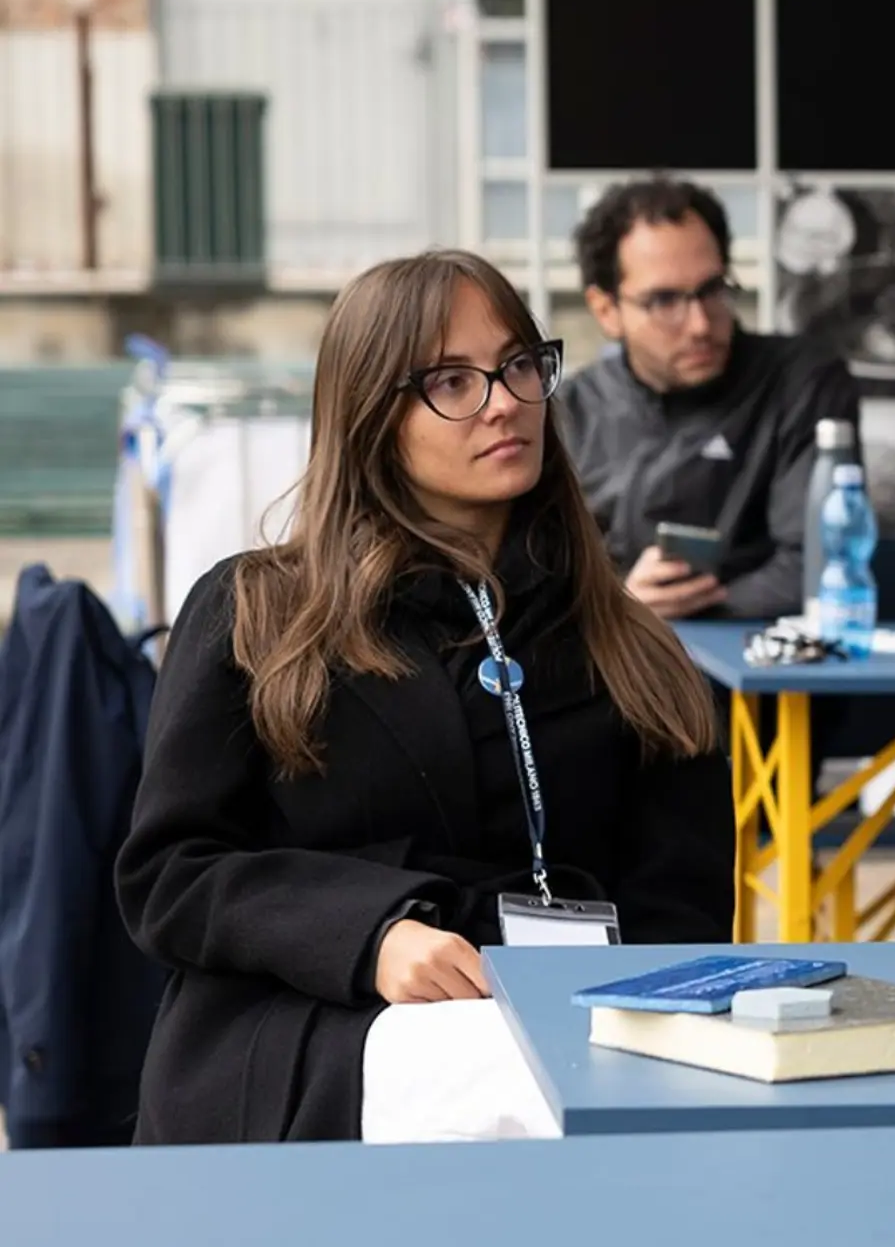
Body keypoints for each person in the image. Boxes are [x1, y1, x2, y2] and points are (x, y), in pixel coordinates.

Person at [116, 250, 732, 1145]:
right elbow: (167, 875)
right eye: (452, 379)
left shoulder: (627, 641)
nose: (504, 400)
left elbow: (684, 912)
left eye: (519, 364)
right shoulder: (256, 611)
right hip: (310, 1032)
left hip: (570, 1033)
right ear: (373, 415)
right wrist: (371, 934)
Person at [558, 175, 862, 621]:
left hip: (760, 668)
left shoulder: (801, 382)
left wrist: (664, 612)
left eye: (712, 290)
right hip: (608, 672)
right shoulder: (567, 414)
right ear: (606, 310)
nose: (700, 324)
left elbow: (821, 564)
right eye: (664, 300)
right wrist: (619, 606)